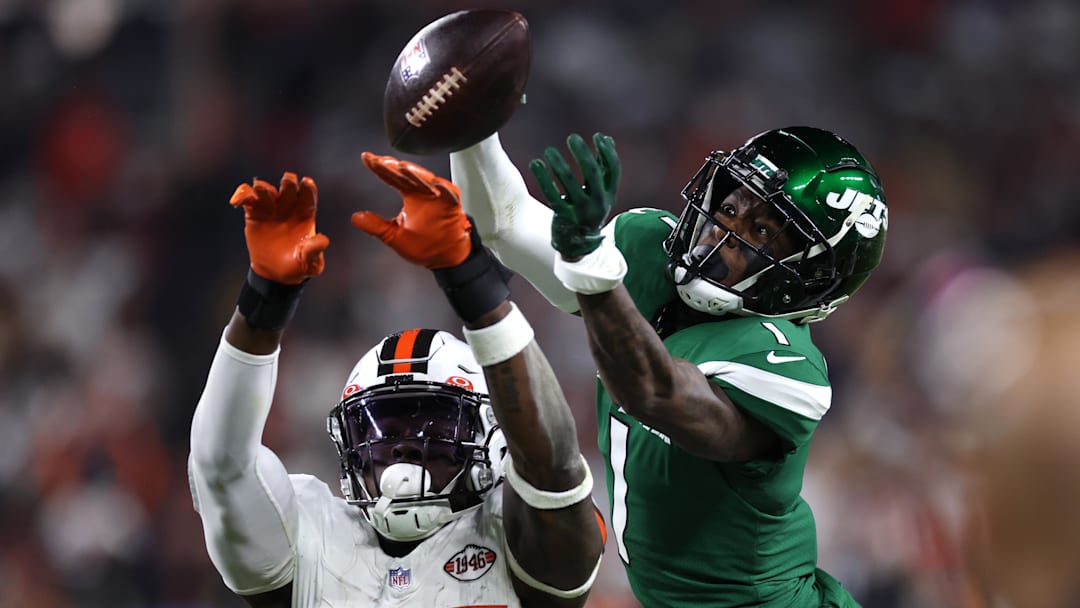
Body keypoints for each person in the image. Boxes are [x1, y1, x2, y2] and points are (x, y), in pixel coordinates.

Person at [437, 127, 889, 606]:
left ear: (812, 278)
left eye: (761, 232)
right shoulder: (650, 252)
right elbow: (506, 223)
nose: (725, 233)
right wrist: (471, 127)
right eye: (730, 208)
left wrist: (592, 266)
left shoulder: (784, 363)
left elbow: (654, 392)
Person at [187, 160, 605, 608]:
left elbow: (553, 470)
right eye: (381, 427)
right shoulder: (311, 538)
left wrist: (471, 284)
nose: (403, 445)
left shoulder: (515, 534)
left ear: (495, 435)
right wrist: (263, 302)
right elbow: (220, 466)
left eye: (435, 421)